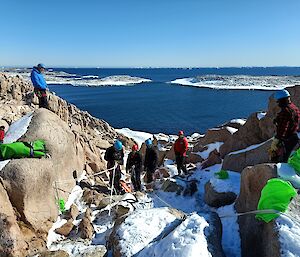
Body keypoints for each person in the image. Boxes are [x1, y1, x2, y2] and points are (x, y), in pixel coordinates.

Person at [269, 89, 300, 162]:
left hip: (286, 139)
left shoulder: (285, 111)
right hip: (293, 137)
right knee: (286, 158)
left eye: (278, 101)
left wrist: (277, 139)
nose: (278, 103)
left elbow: (283, 127)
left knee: (277, 159)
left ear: (281, 100)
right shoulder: (294, 108)